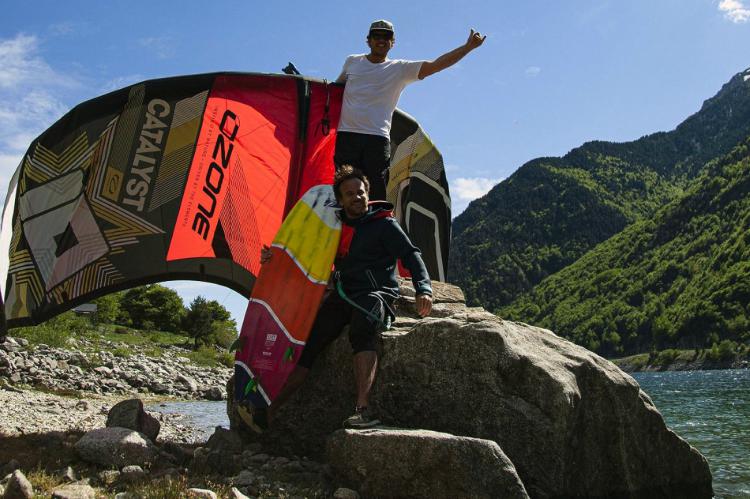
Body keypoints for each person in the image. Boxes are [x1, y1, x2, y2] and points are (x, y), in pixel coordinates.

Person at [243, 166, 433, 432]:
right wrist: (273, 259)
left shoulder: (384, 225)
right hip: (343, 294)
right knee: (310, 344)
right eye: (350, 194)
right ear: (341, 200)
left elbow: (412, 255)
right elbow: (301, 256)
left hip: (376, 292)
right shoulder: (332, 226)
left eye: (361, 192)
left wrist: (423, 288)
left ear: (368, 194)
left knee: (362, 330)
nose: (357, 198)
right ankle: (269, 412)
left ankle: (362, 410)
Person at [334, 19, 486, 201]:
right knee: (343, 191)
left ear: (393, 42)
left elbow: (435, 65)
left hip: (377, 139)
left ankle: (376, 228)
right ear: (368, 40)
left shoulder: (400, 69)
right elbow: (335, 91)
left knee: (375, 195)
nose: (381, 40)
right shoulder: (352, 62)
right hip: (347, 136)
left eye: (386, 36)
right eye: (376, 36)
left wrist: (467, 47)